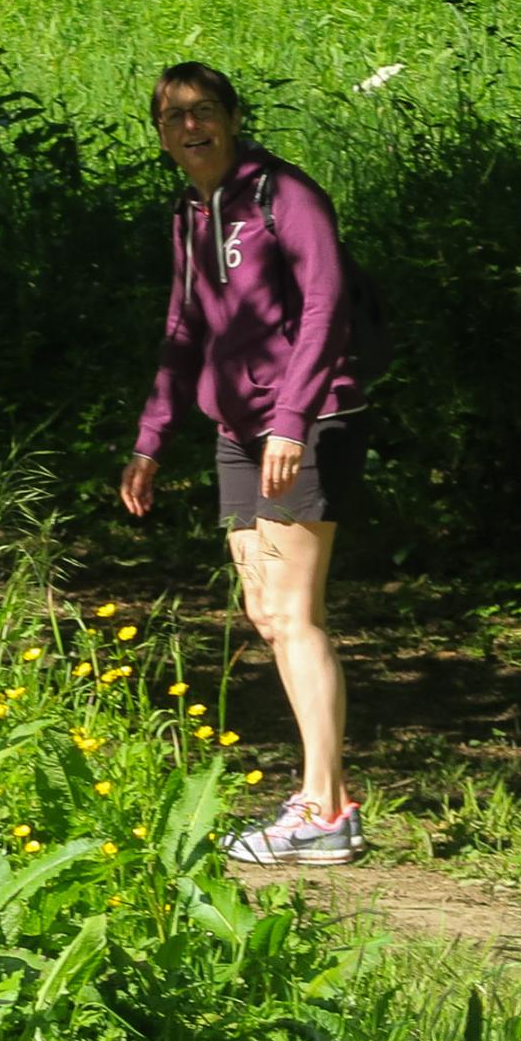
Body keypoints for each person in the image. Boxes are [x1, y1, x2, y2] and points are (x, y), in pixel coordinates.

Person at [119, 62, 371, 866]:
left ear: (231, 116)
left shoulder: (284, 195)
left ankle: (326, 809)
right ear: (160, 134)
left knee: (294, 613)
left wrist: (292, 418)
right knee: (265, 610)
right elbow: (182, 324)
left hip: (305, 422)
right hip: (236, 431)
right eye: (172, 118)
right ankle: (316, 800)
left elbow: (327, 303)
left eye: (203, 112)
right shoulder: (191, 213)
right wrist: (152, 437)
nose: (189, 128)